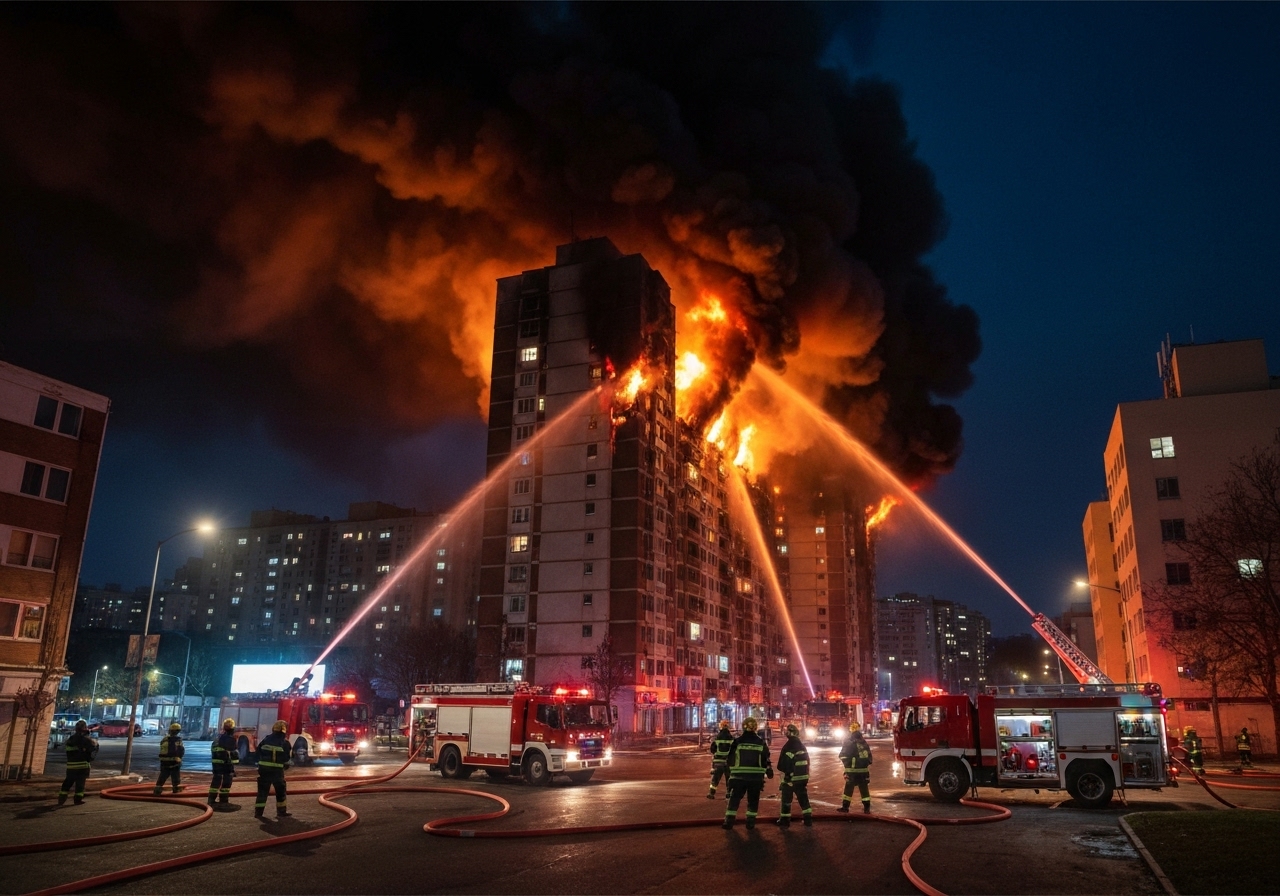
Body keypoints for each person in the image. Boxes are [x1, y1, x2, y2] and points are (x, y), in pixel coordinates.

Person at [722, 716, 773, 830]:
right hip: (755, 778)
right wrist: (768, 770)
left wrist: (730, 772)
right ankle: (750, 823)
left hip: (738, 777)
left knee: (734, 799)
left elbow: (730, 759)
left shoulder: (737, 741)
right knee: (753, 801)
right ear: (755, 728)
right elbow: (766, 759)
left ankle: (729, 822)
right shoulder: (761, 743)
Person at [775, 723, 813, 827]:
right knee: (803, 798)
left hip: (791, 778)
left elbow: (784, 763)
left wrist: (787, 777)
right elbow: (807, 762)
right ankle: (808, 819)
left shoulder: (789, 746)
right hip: (802, 778)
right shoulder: (802, 746)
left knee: (786, 800)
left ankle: (785, 821)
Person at [254, 719, 292, 819]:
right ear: (284, 731)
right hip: (277, 773)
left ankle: (258, 813)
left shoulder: (265, 740)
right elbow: (286, 760)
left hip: (264, 771)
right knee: (280, 792)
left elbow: (257, 753)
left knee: (262, 792)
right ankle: (281, 812)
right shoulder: (285, 743)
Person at [58, 720, 98, 805]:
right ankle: (77, 800)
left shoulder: (71, 739)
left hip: (71, 766)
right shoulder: (86, 740)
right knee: (80, 785)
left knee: (67, 783)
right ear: (84, 728)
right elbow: (92, 749)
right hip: (82, 766)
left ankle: (61, 799)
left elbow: (69, 751)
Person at [839, 720, 873, 813]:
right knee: (864, 789)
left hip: (853, 770)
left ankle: (845, 807)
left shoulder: (849, 742)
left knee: (848, 789)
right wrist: (864, 764)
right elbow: (870, 757)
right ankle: (867, 808)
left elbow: (842, 755)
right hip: (864, 771)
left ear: (850, 730)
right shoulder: (863, 741)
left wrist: (848, 766)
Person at [209, 718, 239, 806]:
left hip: (216, 764)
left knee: (216, 781)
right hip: (226, 764)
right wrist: (233, 767)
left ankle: (211, 799)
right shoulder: (231, 739)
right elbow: (234, 755)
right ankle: (223, 799)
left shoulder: (217, 738)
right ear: (232, 729)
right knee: (227, 782)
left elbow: (213, 750)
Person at [154, 722, 185, 795]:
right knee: (175, 775)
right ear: (178, 731)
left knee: (163, 775)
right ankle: (176, 788)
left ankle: (158, 788)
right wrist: (180, 758)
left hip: (164, 761)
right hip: (174, 761)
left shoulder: (164, 739)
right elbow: (181, 750)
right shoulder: (178, 740)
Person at [707, 720, 735, 799]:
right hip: (728, 762)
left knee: (715, 779)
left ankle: (711, 793)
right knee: (729, 779)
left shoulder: (717, 737)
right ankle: (729, 794)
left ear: (721, 726)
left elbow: (712, 749)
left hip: (718, 762)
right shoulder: (731, 738)